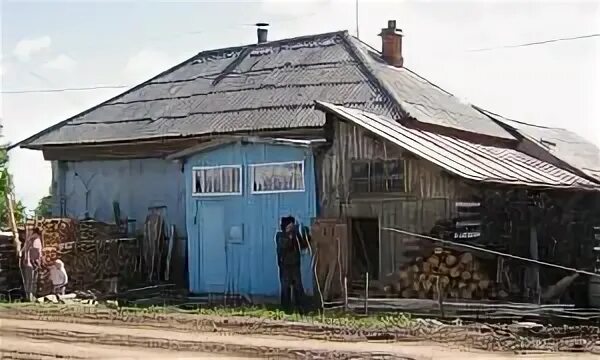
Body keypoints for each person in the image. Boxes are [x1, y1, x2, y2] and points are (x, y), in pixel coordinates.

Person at [275, 216, 310, 312]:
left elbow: (303, 245)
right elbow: (285, 246)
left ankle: (301, 308)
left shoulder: (295, 235)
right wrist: (291, 235)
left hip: (295, 265)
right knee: (286, 288)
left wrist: (304, 234)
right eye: (290, 225)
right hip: (285, 266)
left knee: (298, 287)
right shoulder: (280, 235)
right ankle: (286, 309)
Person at [21, 227, 43, 302]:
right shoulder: (35, 239)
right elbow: (35, 251)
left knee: (29, 280)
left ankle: (29, 296)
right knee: (32, 280)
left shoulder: (29, 240)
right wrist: (35, 262)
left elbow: (26, 250)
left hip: (30, 262)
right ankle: (30, 296)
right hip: (32, 262)